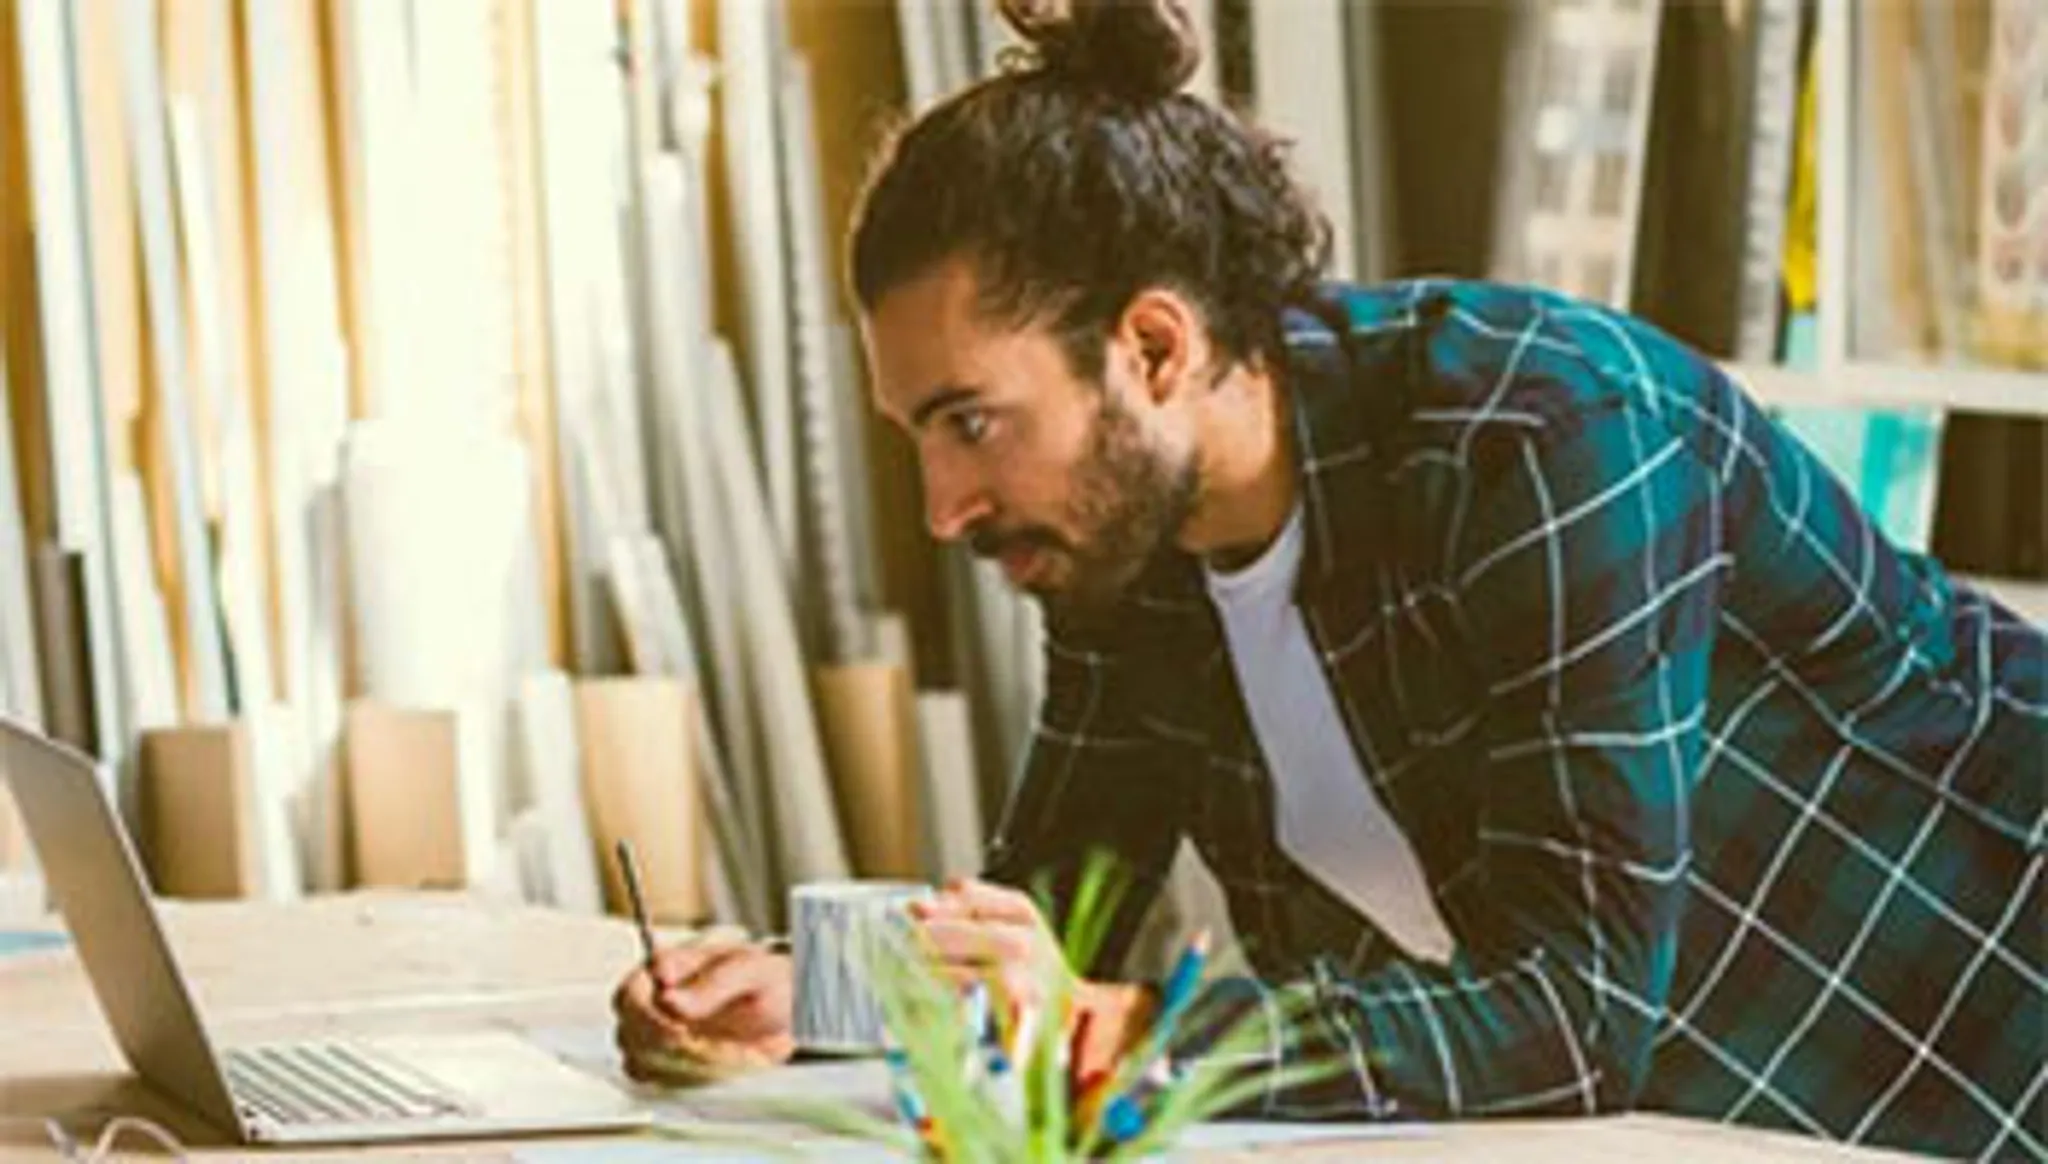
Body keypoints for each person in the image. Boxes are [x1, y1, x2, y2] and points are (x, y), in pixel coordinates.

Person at [612, 0, 2046, 1156]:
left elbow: (1576, 1012)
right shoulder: (1134, 549)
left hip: (1985, 1046)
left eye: (970, 422)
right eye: (915, 439)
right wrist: (830, 993)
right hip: (1729, 1109)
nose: (943, 508)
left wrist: (1120, 1030)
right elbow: (1050, 909)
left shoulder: (1544, 437)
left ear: (1154, 350)